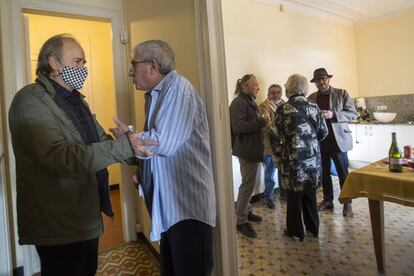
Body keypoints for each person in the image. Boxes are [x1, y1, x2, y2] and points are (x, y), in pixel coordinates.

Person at [8, 34, 155, 276]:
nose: (82, 69)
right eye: (77, 62)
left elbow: (100, 141)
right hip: (56, 222)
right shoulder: (30, 100)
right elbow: (60, 157)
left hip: (85, 216)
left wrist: (134, 149)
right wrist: (126, 146)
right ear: (54, 62)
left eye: (84, 63)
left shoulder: (77, 101)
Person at [111, 40, 216, 276]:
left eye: (133, 64)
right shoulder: (155, 94)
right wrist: (143, 170)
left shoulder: (178, 89)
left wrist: (127, 136)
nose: (130, 71)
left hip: (187, 210)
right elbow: (162, 144)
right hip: (171, 208)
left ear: (152, 66)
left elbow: (164, 143)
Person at [273, 74, 328, 241]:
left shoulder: (282, 109)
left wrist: (279, 153)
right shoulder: (313, 105)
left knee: (294, 196)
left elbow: (277, 134)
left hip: (293, 159)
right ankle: (313, 228)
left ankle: (296, 231)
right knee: (310, 192)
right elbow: (323, 132)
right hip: (312, 158)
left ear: (289, 88)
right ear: (304, 88)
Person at [308, 68, 358, 218]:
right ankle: (327, 200)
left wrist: (333, 114)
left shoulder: (341, 93)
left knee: (343, 173)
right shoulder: (311, 97)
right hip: (320, 141)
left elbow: (353, 114)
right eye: (318, 80)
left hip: (338, 140)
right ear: (315, 83)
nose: (321, 82)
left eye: (324, 78)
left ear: (328, 79)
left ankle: (347, 203)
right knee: (324, 173)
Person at [230, 74, 269, 239]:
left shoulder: (249, 101)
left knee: (250, 184)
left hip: (253, 150)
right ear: (244, 87)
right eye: (255, 85)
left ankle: (246, 211)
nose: (258, 88)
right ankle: (241, 221)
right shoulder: (238, 103)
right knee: (247, 186)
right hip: (247, 151)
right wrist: (261, 121)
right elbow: (238, 126)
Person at [259, 84, 285, 209]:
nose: (276, 95)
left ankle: (283, 194)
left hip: (283, 145)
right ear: (268, 94)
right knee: (270, 172)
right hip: (269, 145)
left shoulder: (285, 105)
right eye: (273, 92)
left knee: (283, 171)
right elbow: (267, 124)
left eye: (278, 92)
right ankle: (268, 197)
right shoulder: (263, 106)